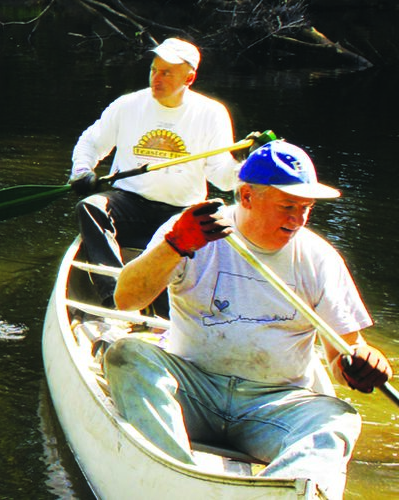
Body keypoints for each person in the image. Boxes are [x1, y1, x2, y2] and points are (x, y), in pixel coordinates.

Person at [105, 140, 391, 498]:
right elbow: (126, 299)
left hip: (272, 405)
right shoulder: (196, 229)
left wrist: (364, 363)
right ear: (247, 196)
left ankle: (280, 491)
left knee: (339, 418)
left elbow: (342, 354)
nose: (298, 219)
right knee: (126, 354)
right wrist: (174, 246)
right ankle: (177, 480)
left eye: (306, 208)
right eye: (287, 206)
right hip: (191, 390)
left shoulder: (320, 259)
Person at [67, 37, 251, 306]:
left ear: (189, 79)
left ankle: (182, 306)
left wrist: (246, 167)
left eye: (167, 73)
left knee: (221, 229)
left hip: (181, 213)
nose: (156, 78)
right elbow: (91, 142)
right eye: (154, 70)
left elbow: (222, 177)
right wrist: (82, 170)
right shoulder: (128, 105)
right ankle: (114, 294)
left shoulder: (211, 113)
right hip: (130, 204)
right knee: (91, 207)